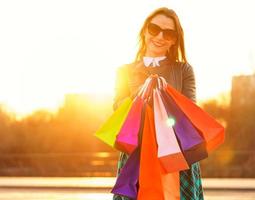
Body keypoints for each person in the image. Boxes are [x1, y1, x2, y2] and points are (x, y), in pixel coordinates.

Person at [112, 7, 204, 200]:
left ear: (175, 40)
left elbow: (190, 110)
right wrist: (142, 91)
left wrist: (165, 92)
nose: (160, 37)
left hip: (176, 153)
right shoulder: (125, 71)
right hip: (137, 154)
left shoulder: (184, 69)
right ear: (145, 30)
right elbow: (118, 109)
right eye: (155, 29)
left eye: (169, 33)